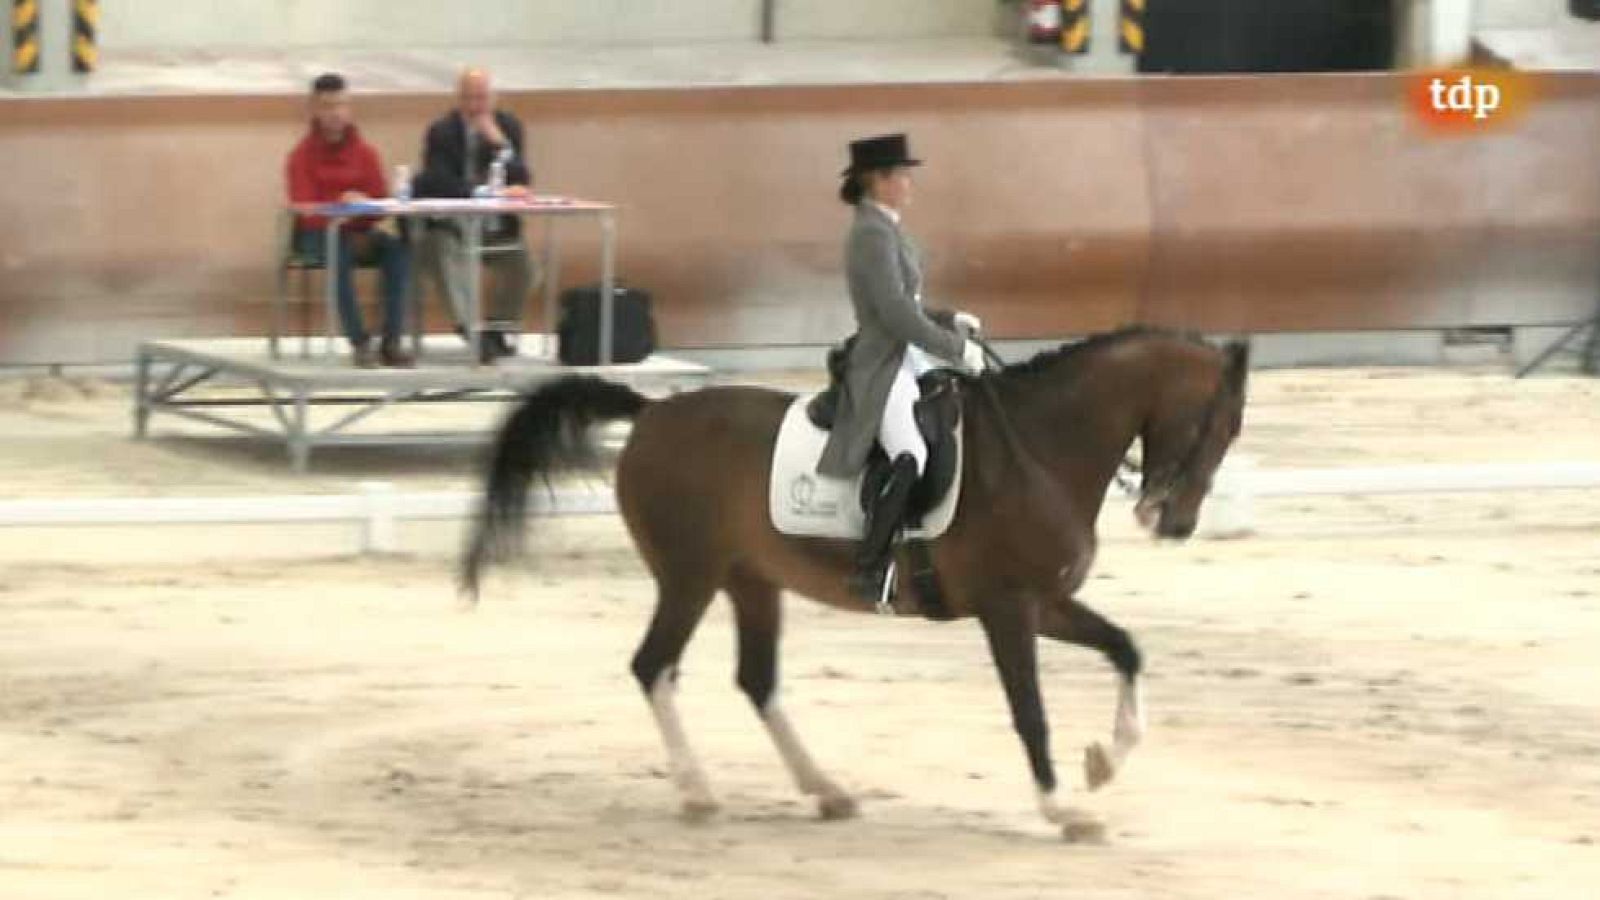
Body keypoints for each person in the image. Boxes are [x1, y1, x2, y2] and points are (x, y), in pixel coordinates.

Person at [815, 133, 987, 601]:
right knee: (911, 453)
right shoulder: (871, 233)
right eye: (902, 175)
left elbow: (907, 302)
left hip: (907, 354)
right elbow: (892, 312)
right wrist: (953, 347)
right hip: (883, 361)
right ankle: (868, 567)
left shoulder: (887, 228)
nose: (910, 184)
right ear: (877, 180)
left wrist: (948, 318)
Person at [284, 72, 413, 368]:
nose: (335, 113)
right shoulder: (301, 156)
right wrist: (339, 207)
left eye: (341, 105)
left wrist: (363, 205)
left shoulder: (365, 153)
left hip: (361, 231)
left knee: (398, 249)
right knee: (338, 249)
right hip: (318, 235)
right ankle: (360, 341)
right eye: (327, 106)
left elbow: (381, 202)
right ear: (315, 110)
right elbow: (305, 209)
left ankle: (391, 340)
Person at [414, 67, 538, 364]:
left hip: (495, 227)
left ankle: (496, 329)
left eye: (481, 98)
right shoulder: (442, 131)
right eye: (468, 98)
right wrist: (482, 193)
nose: (475, 106)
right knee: (439, 250)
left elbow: (522, 178)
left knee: (526, 269)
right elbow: (437, 180)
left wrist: (500, 144)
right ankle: (470, 329)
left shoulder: (509, 127)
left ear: (493, 98)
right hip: (453, 225)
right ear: (458, 99)